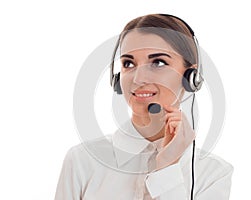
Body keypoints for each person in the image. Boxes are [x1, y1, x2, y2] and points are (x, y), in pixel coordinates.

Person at [55, 14, 233, 200]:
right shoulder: (82, 161)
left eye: (158, 62)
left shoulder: (213, 174)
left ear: (191, 76)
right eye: (128, 64)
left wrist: (168, 167)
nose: (138, 79)